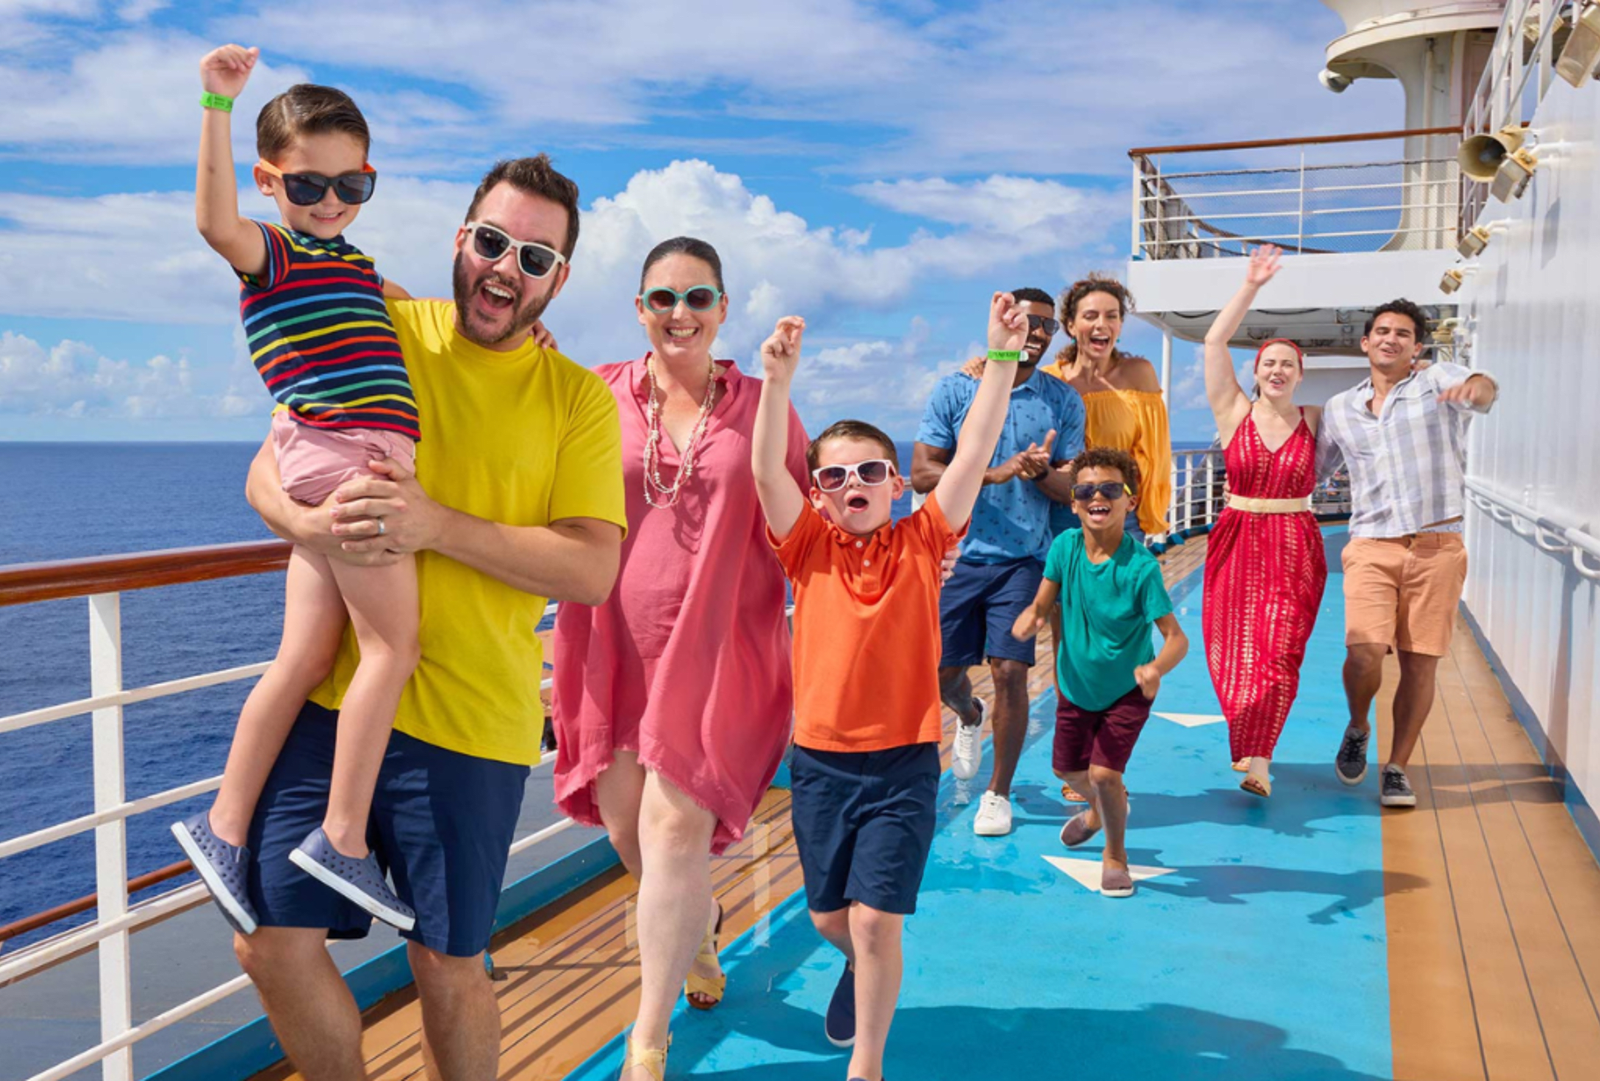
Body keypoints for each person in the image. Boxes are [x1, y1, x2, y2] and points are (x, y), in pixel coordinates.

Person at [232, 155, 627, 1081]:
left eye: (535, 258)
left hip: (471, 721)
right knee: (270, 940)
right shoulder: (380, 325)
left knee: (448, 965)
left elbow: (594, 568)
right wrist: (307, 519)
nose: (506, 269)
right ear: (462, 239)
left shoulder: (577, 400)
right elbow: (270, 465)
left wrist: (436, 524)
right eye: (493, 242)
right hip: (337, 703)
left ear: (559, 279)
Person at [172, 45, 424, 932]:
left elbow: (428, 318)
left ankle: (224, 823)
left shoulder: (356, 269)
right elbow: (212, 221)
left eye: (350, 187)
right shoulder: (269, 253)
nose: (330, 204)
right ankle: (343, 836)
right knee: (393, 648)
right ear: (270, 183)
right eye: (309, 186)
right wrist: (216, 100)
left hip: (329, 459)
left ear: (368, 181)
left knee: (307, 658)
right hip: (346, 461)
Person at [550, 237, 810, 1080]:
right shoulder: (595, 391)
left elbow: (797, 514)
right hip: (612, 639)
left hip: (721, 646)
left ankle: (646, 1039)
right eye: (663, 297)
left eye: (698, 298)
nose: (680, 314)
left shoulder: (759, 399)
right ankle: (698, 931)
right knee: (634, 833)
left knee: (672, 829)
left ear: (723, 309)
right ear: (639, 309)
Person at [754, 293, 1030, 1081]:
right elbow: (763, 468)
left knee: (876, 921)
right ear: (818, 493)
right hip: (820, 764)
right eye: (835, 474)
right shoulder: (805, 545)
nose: (853, 483)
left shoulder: (923, 540)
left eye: (871, 470)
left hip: (905, 760)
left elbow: (973, 451)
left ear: (898, 483)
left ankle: (866, 1066)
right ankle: (856, 966)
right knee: (829, 916)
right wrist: (777, 383)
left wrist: (1002, 357)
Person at [913, 287, 1085, 837]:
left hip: (1023, 560)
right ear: (1004, 322)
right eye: (1025, 321)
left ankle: (998, 793)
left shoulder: (1063, 402)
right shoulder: (957, 388)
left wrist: (1038, 472)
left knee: (1010, 671)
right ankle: (967, 715)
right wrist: (994, 472)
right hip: (956, 558)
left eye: (1046, 326)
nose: (1035, 332)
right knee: (941, 678)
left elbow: (1070, 490)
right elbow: (921, 474)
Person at [1317, 299, 1498, 807]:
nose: (1390, 339)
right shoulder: (1339, 409)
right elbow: (1311, 472)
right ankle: (1358, 725)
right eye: (1382, 331)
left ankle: (1397, 767)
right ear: (1366, 342)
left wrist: (1475, 389)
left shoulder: (1440, 379)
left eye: (1402, 333)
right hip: (1372, 544)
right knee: (1364, 652)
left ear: (1416, 346)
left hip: (1437, 545)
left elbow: (1484, 391)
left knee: (1421, 665)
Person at [1012, 448, 1187, 896]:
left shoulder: (1140, 568)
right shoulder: (1064, 546)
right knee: (1069, 773)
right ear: (1073, 502)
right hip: (1074, 685)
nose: (1097, 496)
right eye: (1086, 490)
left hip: (1126, 689)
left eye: (1110, 489)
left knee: (1106, 775)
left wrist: (1154, 669)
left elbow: (1176, 638)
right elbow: (1043, 601)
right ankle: (1098, 811)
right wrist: (1032, 617)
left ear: (1130, 500)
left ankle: (1115, 854)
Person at [1200, 246, 1327, 798]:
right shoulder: (1234, 413)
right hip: (1238, 537)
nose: (1277, 370)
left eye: (1288, 364)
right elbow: (1212, 342)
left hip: (1295, 542)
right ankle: (1249, 744)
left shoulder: (1317, 419)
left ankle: (1261, 759)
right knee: (1233, 649)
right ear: (1257, 371)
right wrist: (1250, 285)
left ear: (1302, 375)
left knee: (1278, 653)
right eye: (1269, 362)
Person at [1039, 275, 1172, 543]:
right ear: (1071, 326)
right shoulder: (1049, 380)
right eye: (1090, 316)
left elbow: (1155, 455)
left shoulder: (1139, 374)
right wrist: (987, 362)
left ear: (1120, 326)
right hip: (1061, 515)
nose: (1102, 324)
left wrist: (1149, 513)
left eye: (1112, 316)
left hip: (1119, 515)